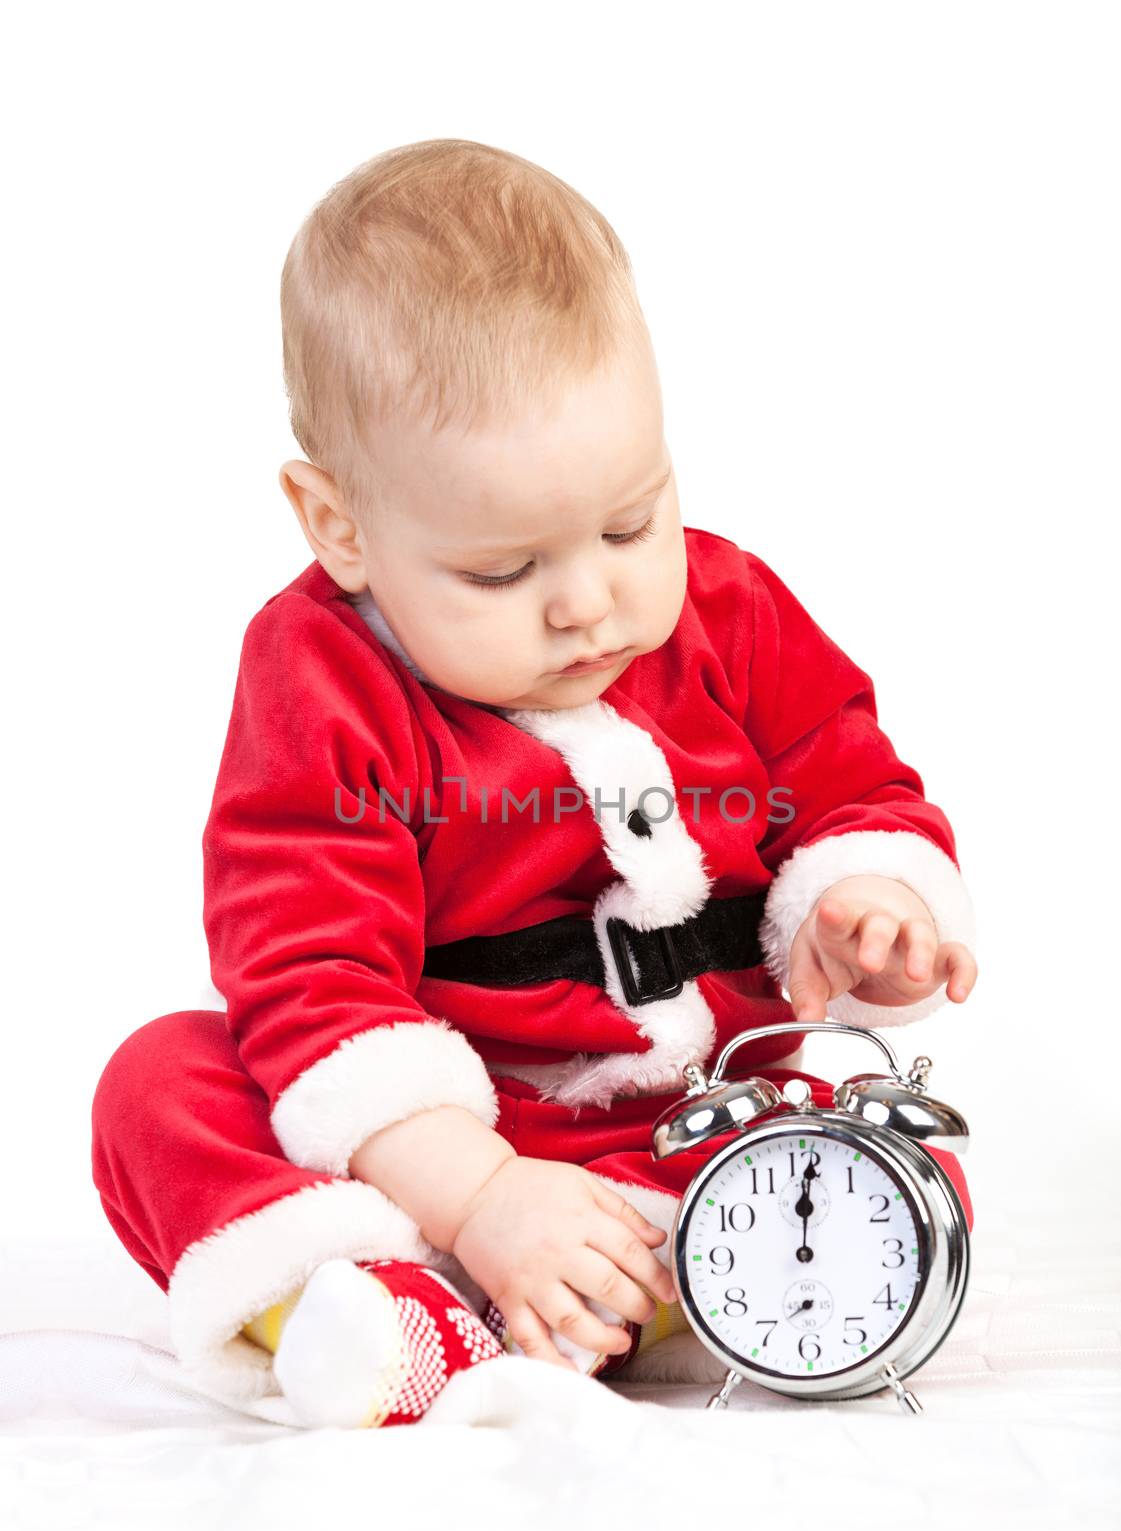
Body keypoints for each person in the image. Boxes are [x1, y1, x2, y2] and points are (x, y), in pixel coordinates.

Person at [91, 138, 979, 1430]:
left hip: (692, 1107)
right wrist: (477, 1193)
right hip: (434, 1135)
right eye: (500, 572)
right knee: (161, 1087)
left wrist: (872, 907)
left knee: (892, 1144)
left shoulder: (725, 608)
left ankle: (656, 1283)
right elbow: (306, 968)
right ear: (339, 526)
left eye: (630, 524)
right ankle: (392, 1310)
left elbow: (849, 780)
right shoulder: (320, 681)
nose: (588, 603)